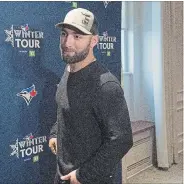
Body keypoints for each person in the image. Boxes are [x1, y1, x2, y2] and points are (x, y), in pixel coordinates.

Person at [49, 8, 133, 184]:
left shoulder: (105, 85)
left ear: (94, 41)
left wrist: (82, 176)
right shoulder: (68, 71)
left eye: (77, 36)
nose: (67, 42)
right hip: (62, 175)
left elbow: (121, 140)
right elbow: (66, 110)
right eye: (64, 34)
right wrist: (55, 133)